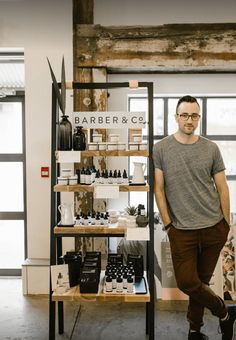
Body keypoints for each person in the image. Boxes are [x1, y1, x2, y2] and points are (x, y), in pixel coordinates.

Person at [153, 95, 236, 340]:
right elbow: (158, 189)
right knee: (188, 282)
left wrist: (225, 223)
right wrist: (168, 224)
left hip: (213, 228)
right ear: (176, 117)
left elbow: (222, 188)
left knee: (201, 282)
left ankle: (194, 330)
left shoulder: (211, 148)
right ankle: (225, 312)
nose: (190, 120)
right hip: (181, 230)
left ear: (198, 117)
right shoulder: (161, 148)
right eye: (185, 115)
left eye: (194, 115)